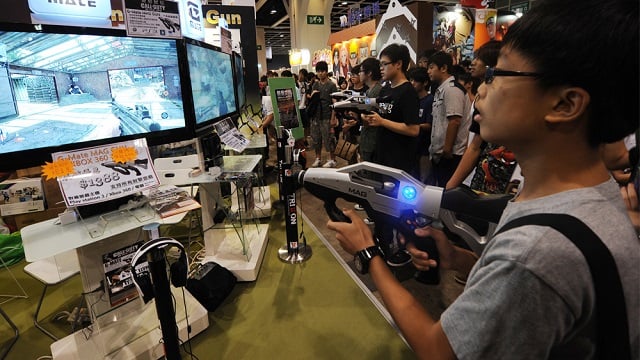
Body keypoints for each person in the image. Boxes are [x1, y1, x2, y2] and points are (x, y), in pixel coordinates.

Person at [327, 0, 639, 358]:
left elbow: (438, 350)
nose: (481, 92)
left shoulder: (537, 250)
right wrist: (462, 260)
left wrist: (368, 253)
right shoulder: (588, 200)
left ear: (565, 105)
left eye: (497, 75)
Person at [361, 44, 420, 266]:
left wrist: (383, 121)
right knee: (381, 205)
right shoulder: (386, 89)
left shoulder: (407, 93)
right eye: (380, 64)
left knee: (398, 207)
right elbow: (383, 115)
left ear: (399, 64)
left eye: (385, 64)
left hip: (400, 161)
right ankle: (384, 244)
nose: (381, 68)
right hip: (383, 157)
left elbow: (413, 129)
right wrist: (373, 120)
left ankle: (399, 247)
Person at [427, 51, 472, 187]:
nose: (428, 71)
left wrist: (447, 150)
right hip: (439, 154)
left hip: (451, 155)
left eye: (431, 67)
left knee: (448, 194)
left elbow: (454, 121)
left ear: (444, 68)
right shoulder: (441, 89)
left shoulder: (452, 89)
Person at [308, 61, 339, 168]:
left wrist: (333, 118)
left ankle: (332, 159)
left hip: (327, 115)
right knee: (316, 139)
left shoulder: (332, 85)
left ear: (326, 72)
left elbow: (335, 103)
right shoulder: (315, 84)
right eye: (318, 71)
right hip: (315, 116)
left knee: (329, 139)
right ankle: (318, 158)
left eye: (322, 71)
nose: (320, 73)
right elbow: (312, 99)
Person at [407, 67, 433, 184]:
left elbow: (431, 125)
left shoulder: (430, 100)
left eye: (415, 81)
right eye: (411, 80)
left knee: (424, 180)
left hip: (424, 148)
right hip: (411, 146)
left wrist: (415, 126)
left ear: (425, 83)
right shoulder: (411, 100)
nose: (412, 83)